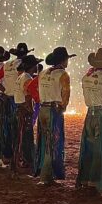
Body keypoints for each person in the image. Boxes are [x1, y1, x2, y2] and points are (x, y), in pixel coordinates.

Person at [76, 48, 102, 194]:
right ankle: (98, 183)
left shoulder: (85, 78)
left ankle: (85, 179)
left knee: (89, 147)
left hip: (90, 113)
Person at [36, 47, 75, 185]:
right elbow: (65, 95)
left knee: (44, 141)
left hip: (43, 108)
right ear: (63, 60)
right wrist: (62, 108)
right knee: (54, 142)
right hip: (54, 110)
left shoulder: (43, 73)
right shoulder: (63, 75)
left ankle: (42, 170)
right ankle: (47, 175)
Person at [0, 43, 34, 166]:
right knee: (20, 130)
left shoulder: (7, 64)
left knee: (8, 128)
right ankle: (21, 157)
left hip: (8, 97)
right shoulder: (23, 67)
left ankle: (8, 154)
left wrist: (5, 91)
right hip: (18, 99)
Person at [14, 55, 42, 174]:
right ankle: (28, 161)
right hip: (24, 109)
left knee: (21, 136)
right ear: (32, 66)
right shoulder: (27, 78)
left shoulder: (21, 76)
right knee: (27, 136)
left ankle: (22, 160)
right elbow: (28, 96)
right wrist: (30, 111)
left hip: (19, 107)